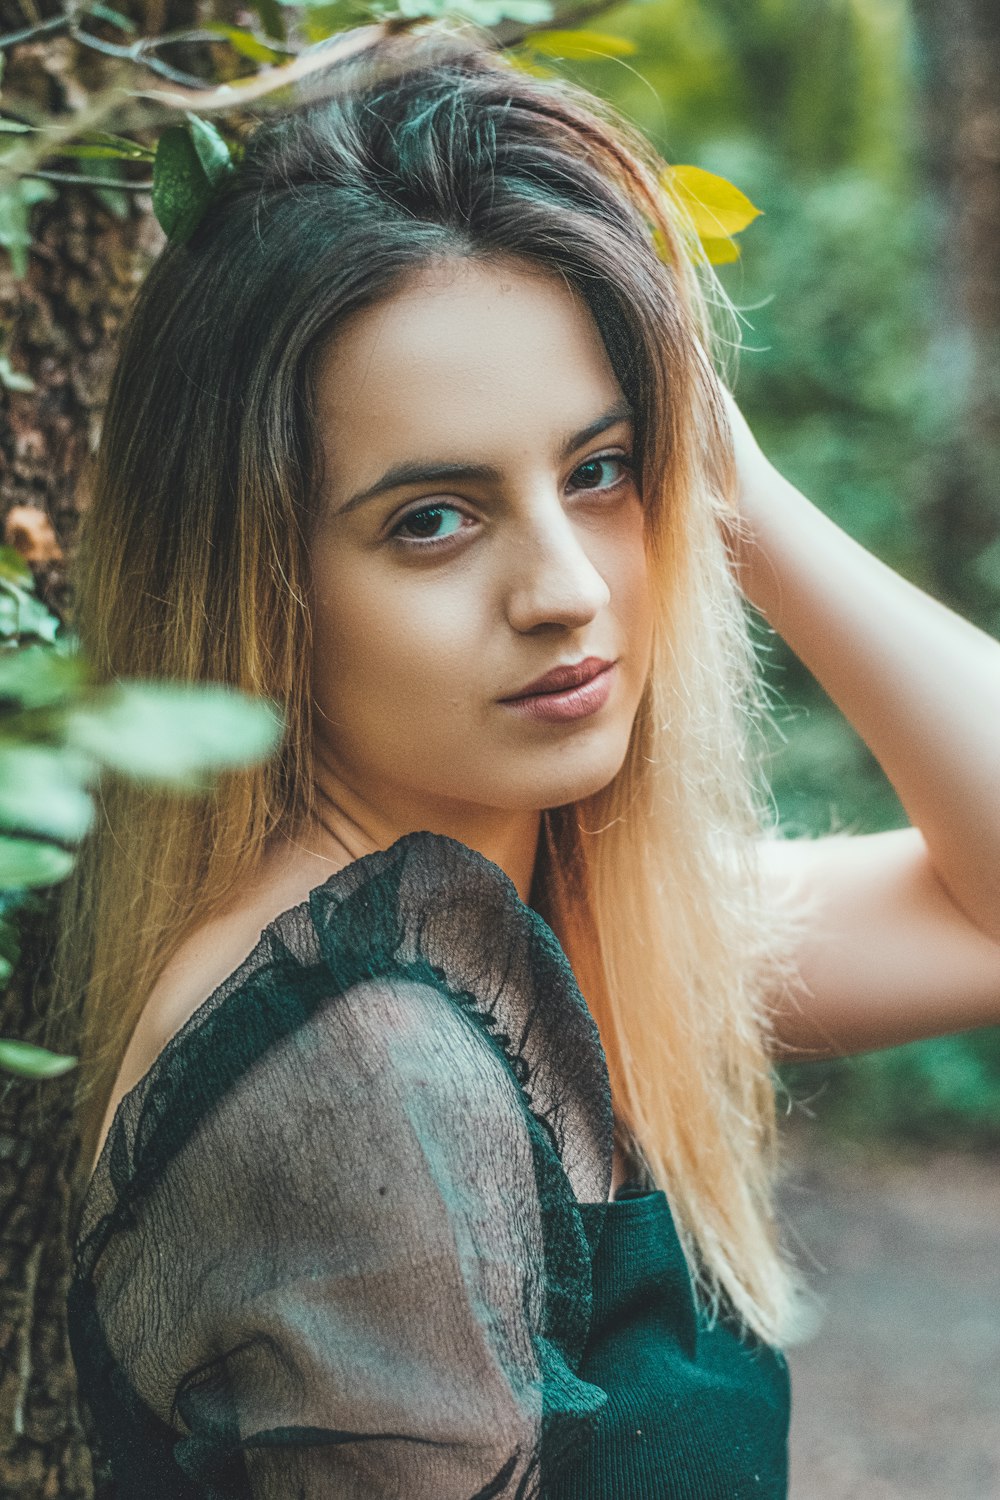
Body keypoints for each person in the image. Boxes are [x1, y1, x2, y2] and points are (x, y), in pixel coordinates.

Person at [56, 17, 1000, 1499]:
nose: (564, 586)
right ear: (262, 583)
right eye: (433, 516)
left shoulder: (532, 921)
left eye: (598, 470)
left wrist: (724, 479)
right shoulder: (366, 1065)